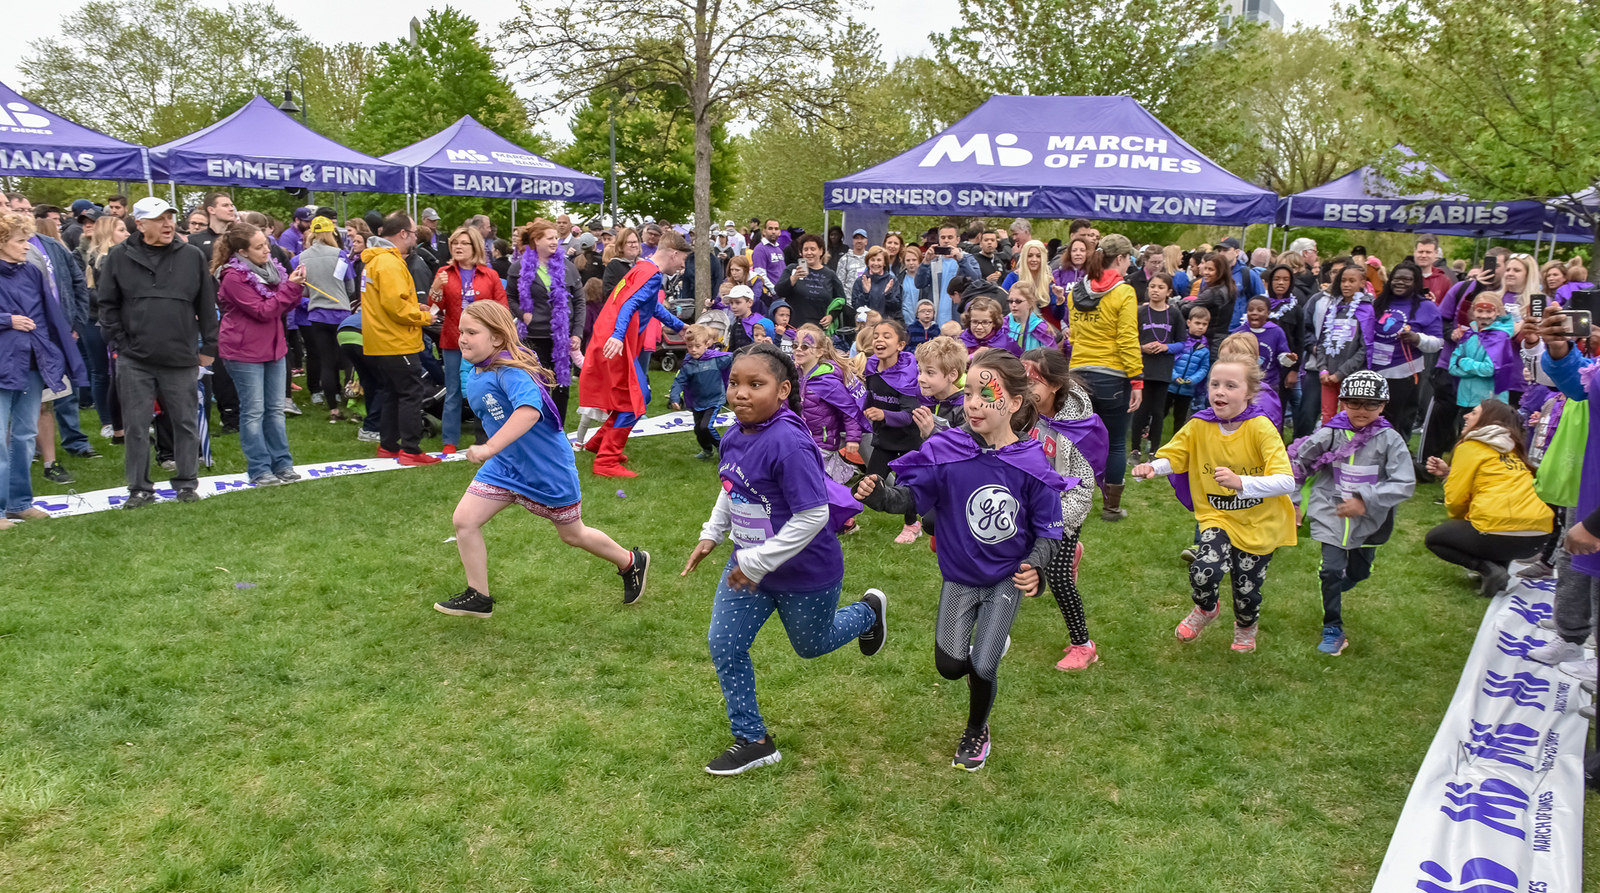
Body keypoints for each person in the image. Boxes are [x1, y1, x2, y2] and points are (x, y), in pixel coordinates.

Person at [681, 343, 886, 775]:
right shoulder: (736, 433)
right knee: (725, 644)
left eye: (756, 384)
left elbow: (814, 515)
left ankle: (868, 612)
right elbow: (733, 484)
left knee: (811, 646)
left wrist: (756, 561)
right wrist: (712, 533)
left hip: (805, 570)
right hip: (748, 568)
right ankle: (753, 740)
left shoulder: (789, 442)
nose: (740, 393)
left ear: (783, 390)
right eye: (735, 383)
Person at [856, 350, 1066, 770]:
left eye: (984, 393)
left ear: (1011, 403)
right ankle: (989, 641)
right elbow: (913, 497)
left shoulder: (1031, 463)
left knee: (983, 664)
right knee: (951, 666)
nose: (971, 402)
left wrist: (1036, 565)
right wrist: (880, 495)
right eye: (968, 392)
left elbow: (1049, 530)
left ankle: (976, 730)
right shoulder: (947, 448)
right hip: (960, 577)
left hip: (1006, 578)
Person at [435, 301, 649, 620]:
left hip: (544, 468)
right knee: (464, 520)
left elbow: (528, 411)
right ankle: (478, 596)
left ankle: (631, 562)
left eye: (472, 332)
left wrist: (489, 447)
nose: (462, 338)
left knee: (572, 534)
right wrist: (496, 453)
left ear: (496, 338)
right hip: (505, 468)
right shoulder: (478, 370)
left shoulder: (509, 370)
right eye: (461, 331)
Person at [1132, 354, 1296, 653]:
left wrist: (1242, 482)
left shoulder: (1261, 427)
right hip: (1217, 516)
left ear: (1248, 392)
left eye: (1230, 385)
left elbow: (1286, 481)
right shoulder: (1200, 424)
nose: (1220, 391)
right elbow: (1177, 455)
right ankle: (1206, 609)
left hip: (1260, 523)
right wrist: (1155, 467)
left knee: (1246, 590)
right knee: (1203, 569)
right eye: (1215, 384)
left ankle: (1246, 626)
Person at [98, 198, 218, 507]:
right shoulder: (117, 257)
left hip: (180, 356)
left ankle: (187, 484)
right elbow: (107, 306)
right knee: (136, 426)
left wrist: (209, 347)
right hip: (134, 358)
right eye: (159, 218)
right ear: (140, 224)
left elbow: (206, 304)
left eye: (170, 217)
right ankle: (139, 489)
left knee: (185, 423)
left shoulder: (192, 256)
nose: (167, 224)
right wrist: (122, 344)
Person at [1287, 371, 1416, 655]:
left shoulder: (1390, 440)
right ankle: (1333, 627)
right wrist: (1294, 503)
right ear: (1343, 402)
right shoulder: (1330, 432)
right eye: (1354, 403)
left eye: (1370, 404)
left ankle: (1355, 573)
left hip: (1371, 520)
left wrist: (1365, 500)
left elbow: (1404, 482)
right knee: (1331, 570)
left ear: (1382, 406)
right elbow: (1298, 461)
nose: (1361, 410)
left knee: (1358, 572)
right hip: (1329, 511)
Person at [580, 230, 690, 478]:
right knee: (635, 399)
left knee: (636, 396)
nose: (683, 265)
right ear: (673, 254)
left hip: (609, 338)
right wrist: (618, 336)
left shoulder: (643, 269)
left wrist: (680, 326)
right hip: (614, 342)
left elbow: (651, 308)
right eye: (682, 259)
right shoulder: (650, 275)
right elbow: (629, 304)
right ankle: (606, 461)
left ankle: (599, 443)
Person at [0, 212, 86, 526]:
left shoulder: (32, 272)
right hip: (4, 361)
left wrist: (65, 357)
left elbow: (51, 316)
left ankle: (19, 502)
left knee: (24, 435)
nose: (28, 246)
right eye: (21, 240)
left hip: (33, 361)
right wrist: (7, 320)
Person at [1023, 348, 1105, 671]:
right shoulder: (1025, 411)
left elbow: (1084, 491)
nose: (1025, 387)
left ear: (1055, 385)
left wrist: (1055, 523)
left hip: (1063, 512)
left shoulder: (1080, 430)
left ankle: (1083, 645)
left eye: (1033, 381)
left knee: (1057, 578)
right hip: (1030, 503)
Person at [1423, 399, 1554, 597]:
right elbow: (1496, 482)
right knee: (1496, 522)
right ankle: (1496, 570)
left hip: (1500, 532)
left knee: (1435, 539)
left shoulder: (1472, 446)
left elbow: (1456, 500)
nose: (1466, 416)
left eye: (1474, 413)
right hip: (1539, 536)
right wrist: (1449, 472)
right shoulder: (1513, 448)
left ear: (1488, 420)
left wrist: (1462, 520)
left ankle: (1488, 569)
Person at [212, 221, 307, 487]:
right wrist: (291, 288)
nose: (267, 250)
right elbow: (263, 310)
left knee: (275, 410)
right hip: (243, 351)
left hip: (274, 347)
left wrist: (294, 287)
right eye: (259, 246)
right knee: (254, 411)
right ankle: (259, 468)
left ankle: (283, 464)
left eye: (266, 243)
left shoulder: (272, 270)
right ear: (242, 252)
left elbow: (283, 306)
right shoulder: (233, 277)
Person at [1065, 233, 1142, 521]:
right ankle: (1111, 507)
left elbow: (1073, 335)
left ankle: (1070, 496)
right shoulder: (1123, 292)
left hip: (1079, 373)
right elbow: (1127, 339)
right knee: (1116, 442)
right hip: (1113, 375)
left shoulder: (1075, 292)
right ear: (1120, 259)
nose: (1127, 268)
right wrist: (1137, 380)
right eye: (1128, 261)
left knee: (1075, 440)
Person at [360, 213, 441, 466]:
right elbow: (395, 307)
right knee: (410, 393)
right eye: (414, 232)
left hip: (379, 339)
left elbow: (388, 301)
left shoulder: (374, 261)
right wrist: (423, 317)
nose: (416, 237)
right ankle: (411, 449)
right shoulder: (389, 263)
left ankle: (388, 445)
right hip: (396, 340)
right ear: (403, 234)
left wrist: (415, 306)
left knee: (392, 393)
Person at [428, 226, 509, 454]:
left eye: (464, 243)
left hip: (485, 344)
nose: (458, 247)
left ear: (475, 247)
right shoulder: (444, 273)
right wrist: (435, 288)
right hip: (454, 340)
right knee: (453, 390)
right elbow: (435, 308)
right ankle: (449, 441)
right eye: (455, 243)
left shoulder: (490, 275)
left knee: (487, 390)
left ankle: (488, 438)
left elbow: (501, 308)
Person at [513, 219, 584, 425]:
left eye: (556, 238)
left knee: (561, 387)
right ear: (536, 240)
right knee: (537, 387)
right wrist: (522, 313)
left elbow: (580, 301)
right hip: (533, 337)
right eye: (550, 238)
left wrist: (577, 332)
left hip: (562, 337)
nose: (555, 242)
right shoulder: (520, 267)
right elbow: (510, 296)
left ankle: (558, 430)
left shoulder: (567, 267)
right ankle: (538, 430)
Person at [860, 319, 925, 543]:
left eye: (887, 336)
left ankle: (912, 524)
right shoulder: (871, 367)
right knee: (870, 482)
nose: (879, 339)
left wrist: (884, 415)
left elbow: (909, 415)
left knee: (906, 485)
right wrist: (865, 409)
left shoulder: (906, 376)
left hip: (908, 441)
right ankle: (848, 518)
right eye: (876, 335)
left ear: (901, 344)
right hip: (884, 439)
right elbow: (871, 395)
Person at [1365, 261, 1443, 440]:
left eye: (1407, 279)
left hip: (1404, 374)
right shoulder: (1380, 302)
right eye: (1397, 278)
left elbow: (1437, 342)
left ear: (1416, 282)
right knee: (1371, 420)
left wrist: (1418, 339)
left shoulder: (1426, 307)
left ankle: (1397, 459)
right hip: (1373, 371)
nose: (1401, 282)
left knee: (1396, 423)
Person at [296, 217, 356, 423]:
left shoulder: (301, 257)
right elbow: (350, 287)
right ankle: (352, 401)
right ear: (332, 233)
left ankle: (332, 410)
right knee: (348, 359)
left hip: (317, 315)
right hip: (340, 312)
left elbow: (302, 289)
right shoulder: (339, 254)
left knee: (326, 362)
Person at [793, 324, 867, 483]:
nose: (798, 349)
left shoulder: (828, 381)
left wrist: (853, 439)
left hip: (823, 440)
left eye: (805, 346)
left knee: (817, 480)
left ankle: (845, 481)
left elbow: (848, 410)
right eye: (795, 345)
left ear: (819, 352)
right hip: (801, 437)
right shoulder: (794, 376)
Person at [1130, 272, 1185, 461]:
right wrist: (1142, 348)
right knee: (1141, 409)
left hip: (1162, 368)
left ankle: (1154, 449)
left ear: (1169, 291)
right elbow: (1129, 340)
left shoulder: (1175, 313)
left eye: (1161, 287)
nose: (1155, 291)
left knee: (1157, 410)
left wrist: (1165, 347)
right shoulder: (1140, 312)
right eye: (1152, 286)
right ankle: (1135, 449)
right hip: (1142, 367)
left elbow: (1181, 343)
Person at [1311, 264, 1375, 425]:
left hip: (1351, 375)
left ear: (1362, 283)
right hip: (1328, 375)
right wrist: (1323, 369)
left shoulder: (1366, 309)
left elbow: (1365, 348)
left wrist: (1340, 374)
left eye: (1352, 281)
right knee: (1327, 416)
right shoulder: (1334, 308)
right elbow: (1322, 342)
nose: (1346, 285)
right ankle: (1327, 448)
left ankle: (1345, 450)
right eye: (1343, 281)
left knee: (1347, 418)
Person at [668, 324, 734, 459]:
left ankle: (724, 450)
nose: (693, 350)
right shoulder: (688, 364)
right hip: (697, 401)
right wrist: (674, 398)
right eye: (689, 346)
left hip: (714, 400)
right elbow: (679, 381)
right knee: (698, 430)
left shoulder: (717, 359)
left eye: (697, 346)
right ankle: (707, 451)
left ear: (707, 344)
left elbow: (735, 357)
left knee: (706, 427)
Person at [1447, 293, 1518, 410]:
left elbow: (1489, 369)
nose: (1484, 316)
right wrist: (1473, 370)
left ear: (1498, 312)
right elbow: (1452, 367)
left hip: (1489, 401)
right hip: (1465, 399)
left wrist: (1463, 362)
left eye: (1489, 312)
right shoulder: (1470, 333)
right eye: (1480, 311)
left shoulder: (1499, 337)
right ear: (1473, 311)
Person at [776, 234, 848, 331]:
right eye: (805, 249)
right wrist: (794, 278)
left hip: (819, 330)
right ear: (800, 252)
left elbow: (841, 300)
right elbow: (779, 291)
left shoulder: (830, 274)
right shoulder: (792, 269)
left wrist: (831, 316)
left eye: (813, 249)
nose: (809, 253)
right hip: (794, 328)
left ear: (821, 251)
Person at [915, 224, 981, 327]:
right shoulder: (933, 259)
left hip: (959, 320)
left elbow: (976, 280)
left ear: (958, 239)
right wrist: (925, 262)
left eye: (950, 237)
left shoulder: (967, 258)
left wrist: (961, 260)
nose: (946, 241)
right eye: (943, 237)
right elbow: (919, 284)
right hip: (935, 321)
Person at [1168, 307, 1211, 428]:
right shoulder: (1180, 341)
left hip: (1187, 389)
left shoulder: (1204, 348)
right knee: (1161, 413)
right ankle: (1151, 438)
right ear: (1188, 322)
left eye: (1204, 324)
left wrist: (1193, 379)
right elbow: (1170, 360)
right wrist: (1174, 376)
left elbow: (1204, 368)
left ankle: (1177, 442)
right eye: (1197, 323)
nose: (1201, 327)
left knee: (1180, 418)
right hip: (1170, 386)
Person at [850, 246, 902, 323]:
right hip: (866, 325)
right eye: (872, 260)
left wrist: (888, 295)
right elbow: (856, 307)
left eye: (879, 260)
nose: (875, 263)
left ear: (884, 263)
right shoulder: (860, 281)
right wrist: (865, 293)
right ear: (868, 262)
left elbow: (897, 307)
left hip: (886, 324)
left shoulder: (892, 281)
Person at [1006, 282, 1056, 353]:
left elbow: (1050, 357)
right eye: (1010, 301)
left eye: (1018, 301)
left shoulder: (1041, 328)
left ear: (1030, 303)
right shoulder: (1003, 325)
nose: (1013, 305)